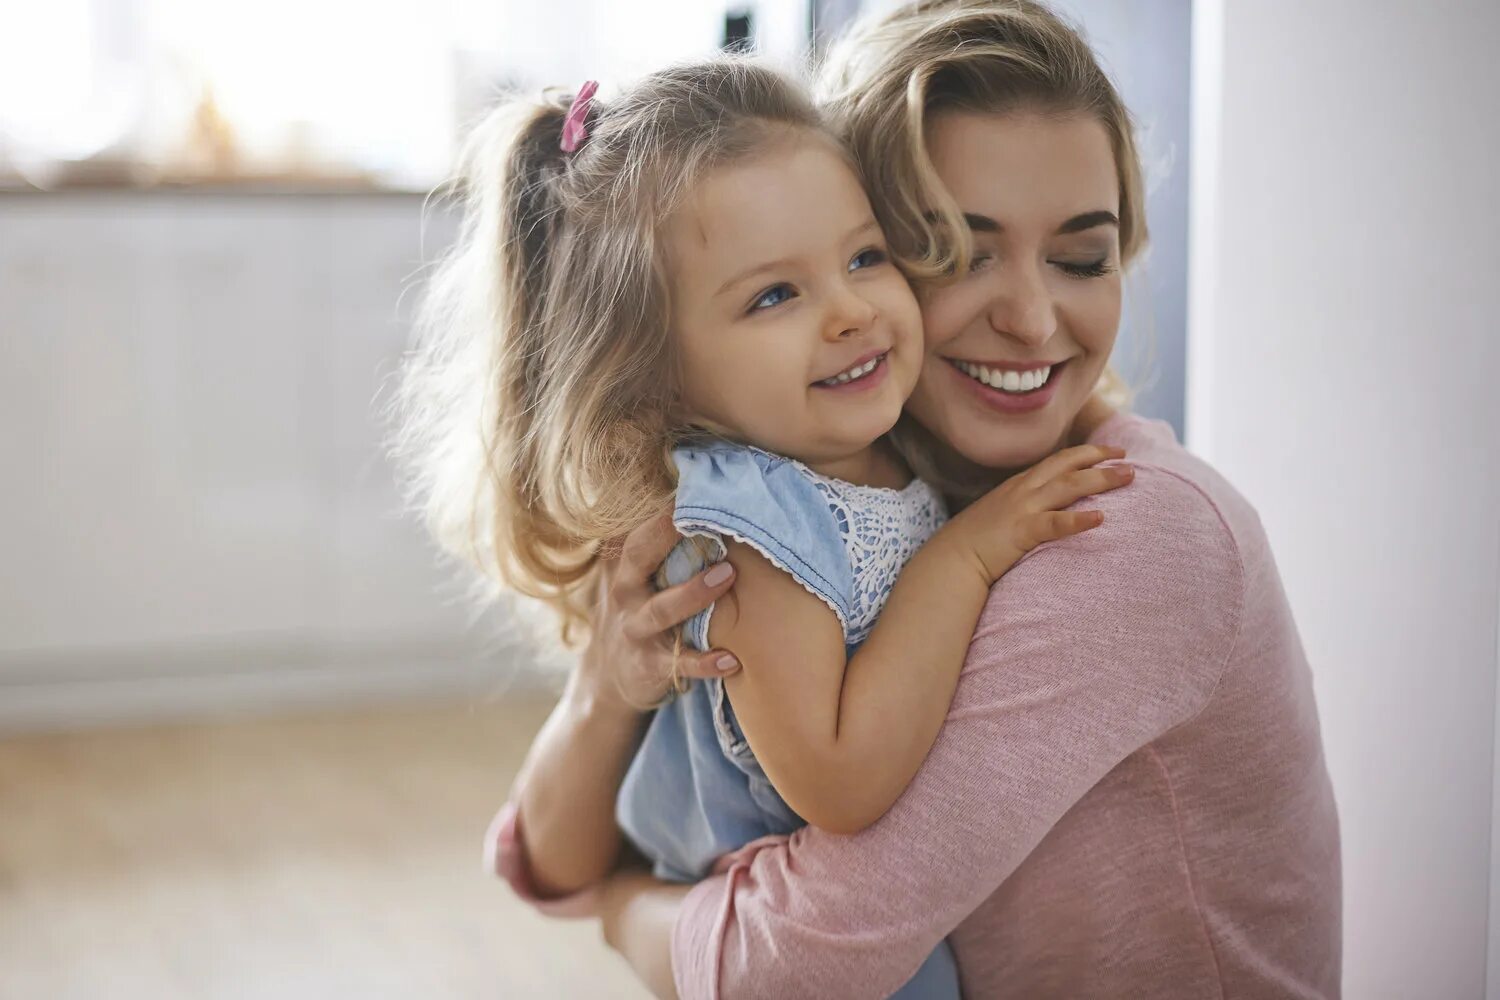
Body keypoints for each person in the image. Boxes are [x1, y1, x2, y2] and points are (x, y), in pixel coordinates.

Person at [490, 2, 1344, 998]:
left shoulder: (1129, 527)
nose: (1031, 320)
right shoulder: (822, 489)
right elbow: (541, 854)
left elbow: (789, 964)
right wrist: (607, 681)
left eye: (1081, 256)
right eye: (957, 249)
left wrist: (621, 905)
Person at [393, 45, 1132, 1000]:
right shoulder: (749, 533)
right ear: (655, 377)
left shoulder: (871, 445)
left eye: (865, 256)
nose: (850, 312)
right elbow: (840, 781)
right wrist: (969, 555)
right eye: (775, 295)